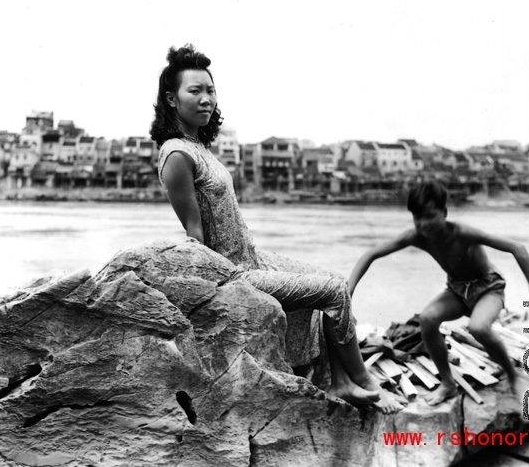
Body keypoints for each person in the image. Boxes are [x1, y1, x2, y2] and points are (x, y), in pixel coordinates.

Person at [149, 44, 402, 413]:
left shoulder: (197, 145)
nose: (207, 99)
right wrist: (207, 295)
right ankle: (363, 379)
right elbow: (195, 236)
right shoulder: (177, 155)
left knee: (332, 280)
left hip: (251, 258)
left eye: (211, 90)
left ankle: (341, 381)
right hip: (233, 273)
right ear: (171, 99)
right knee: (332, 291)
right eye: (195, 91)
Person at [349, 180, 529, 406]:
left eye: (430, 216)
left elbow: (517, 248)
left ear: (444, 213)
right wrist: (349, 290)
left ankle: (513, 376)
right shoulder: (417, 237)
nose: (424, 224)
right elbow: (371, 254)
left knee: (478, 328)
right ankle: (448, 384)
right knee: (428, 319)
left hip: (488, 288)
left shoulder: (463, 233)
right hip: (458, 290)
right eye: (417, 217)